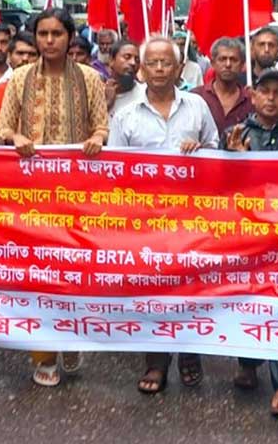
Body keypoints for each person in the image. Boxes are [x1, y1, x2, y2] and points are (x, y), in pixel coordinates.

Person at [0, 8, 109, 387]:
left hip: (79, 194)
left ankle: (71, 336)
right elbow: (3, 128)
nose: (48, 41)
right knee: (39, 273)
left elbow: (102, 126)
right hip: (31, 193)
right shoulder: (21, 79)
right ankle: (43, 353)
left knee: (75, 271)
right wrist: (16, 138)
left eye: (56, 34)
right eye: (42, 34)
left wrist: (96, 139)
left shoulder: (91, 79)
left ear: (69, 37)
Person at [109, 37, 217, 394]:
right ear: (142, 68)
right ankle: (155, 361)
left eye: (165, 63)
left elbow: (217, 154)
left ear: (178, 67)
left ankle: (188, 352)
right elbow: (115, 171)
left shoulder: (197, 106)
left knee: (190, 286)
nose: (158, 70)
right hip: (146, 221)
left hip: (192, 217)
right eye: (151, 63)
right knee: (153, 289)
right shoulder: (124, 115)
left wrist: (199, 150)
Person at [221, 69, 278, 418]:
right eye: (265, 92)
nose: (271, 98)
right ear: (253, 96)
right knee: (248, 300)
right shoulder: (233, 135)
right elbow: (214, 190)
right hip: (245, 237)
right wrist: (232, 159)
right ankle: (248, 360)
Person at [191, 37, 254, 134]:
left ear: (242, 65)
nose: (228, 64)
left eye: (233, 60)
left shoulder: (251, 101)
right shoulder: (195, 97)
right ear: (212, 63)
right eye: (222, 59)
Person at [0, 32, 38, 123]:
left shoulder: (50, 92)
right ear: (9, 56)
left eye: (32, 54)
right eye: (20, 53)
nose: (25, 58)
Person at [105, 40, 143, 116]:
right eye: (127, 57)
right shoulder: (98, 93)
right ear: (111, 60)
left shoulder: (146, 95)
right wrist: (107, 103)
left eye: (137, 60)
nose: (133, 63)